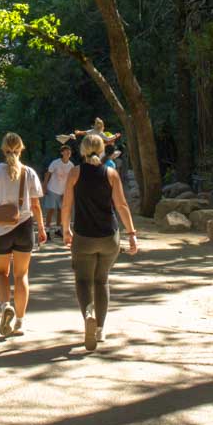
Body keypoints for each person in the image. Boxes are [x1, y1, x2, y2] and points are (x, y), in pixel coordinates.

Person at [61, 131, 138, 351]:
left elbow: (66, 205)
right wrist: (131, 233)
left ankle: (88, 314)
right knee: (101, 281)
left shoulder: (75, 173)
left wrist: (66, 230)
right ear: (102, 150)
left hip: (84, 236)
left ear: (82, 151)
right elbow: (122, 206)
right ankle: (100, 329)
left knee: (83, 281)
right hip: (108, 237)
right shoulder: (111, 174)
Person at [0, 132, 47, 337]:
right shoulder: (29, 173)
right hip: (24, 228)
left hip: (0, 229)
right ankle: (19, 322)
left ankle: (4, 307)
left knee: (1, 273)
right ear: (21, 149)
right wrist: (42, 228)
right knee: (21, 275)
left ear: (3, 149)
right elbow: (35, 205)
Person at [42, 144, 73, 236]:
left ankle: (58, 229)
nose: (68, 152)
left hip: (63, 191)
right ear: (62, 153)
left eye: (69, 151)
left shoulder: (71, 165)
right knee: (51, 209)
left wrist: (68, 192)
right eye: (66, 151)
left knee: (61, 210)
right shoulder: (55, 162)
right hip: (52, 189)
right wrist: (44, 187)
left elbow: (70, 180)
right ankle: (47, 230)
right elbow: (48, 174)